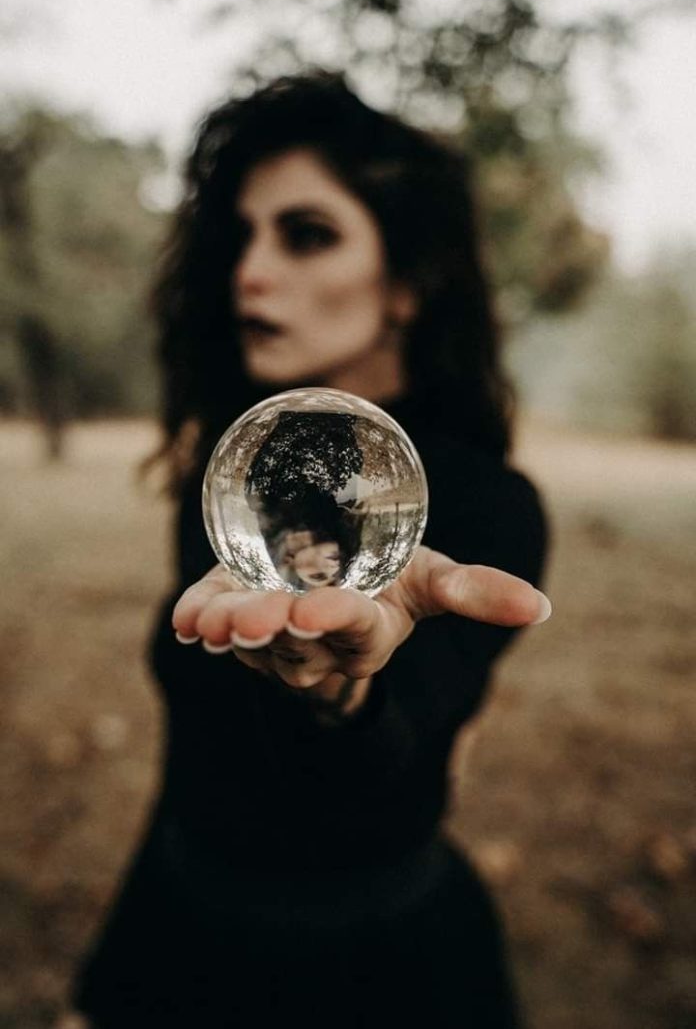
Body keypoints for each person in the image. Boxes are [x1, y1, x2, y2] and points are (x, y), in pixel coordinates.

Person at [70, 71, 550, 1028]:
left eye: (307, 233)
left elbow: (407, 732)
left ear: (406, 285)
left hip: (382, 970)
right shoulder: (233, 476)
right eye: (242, 236)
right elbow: (199, 757)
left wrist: (341, 688)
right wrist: (108, 984)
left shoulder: (486, 508)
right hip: (178, 932)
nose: (250, 271)